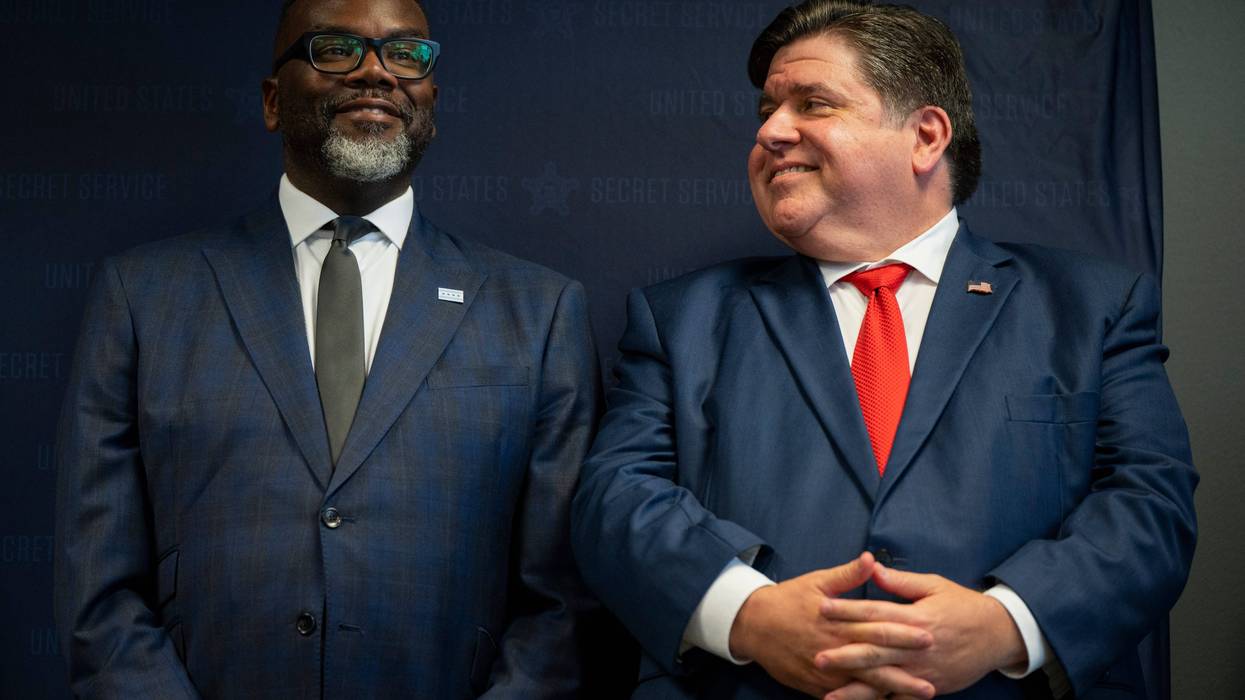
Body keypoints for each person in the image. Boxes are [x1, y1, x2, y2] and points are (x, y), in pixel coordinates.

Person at [571, 1, 1197, 698]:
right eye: (766, 110)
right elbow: (615, 499)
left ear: (925, 136)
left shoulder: (1093, 308)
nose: (772, 131)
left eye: (812, 103)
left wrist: (1003, 624)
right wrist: (748, 615)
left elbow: (1149, 503)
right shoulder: (678, 318)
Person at [52, 0, 602, 696]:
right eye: (336, 50)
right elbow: (97, 588)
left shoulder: (540, 311)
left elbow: (562, 603)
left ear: (431, 95)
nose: (376, 72)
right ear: (273, 101)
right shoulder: (142, 296)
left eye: (406, 55)